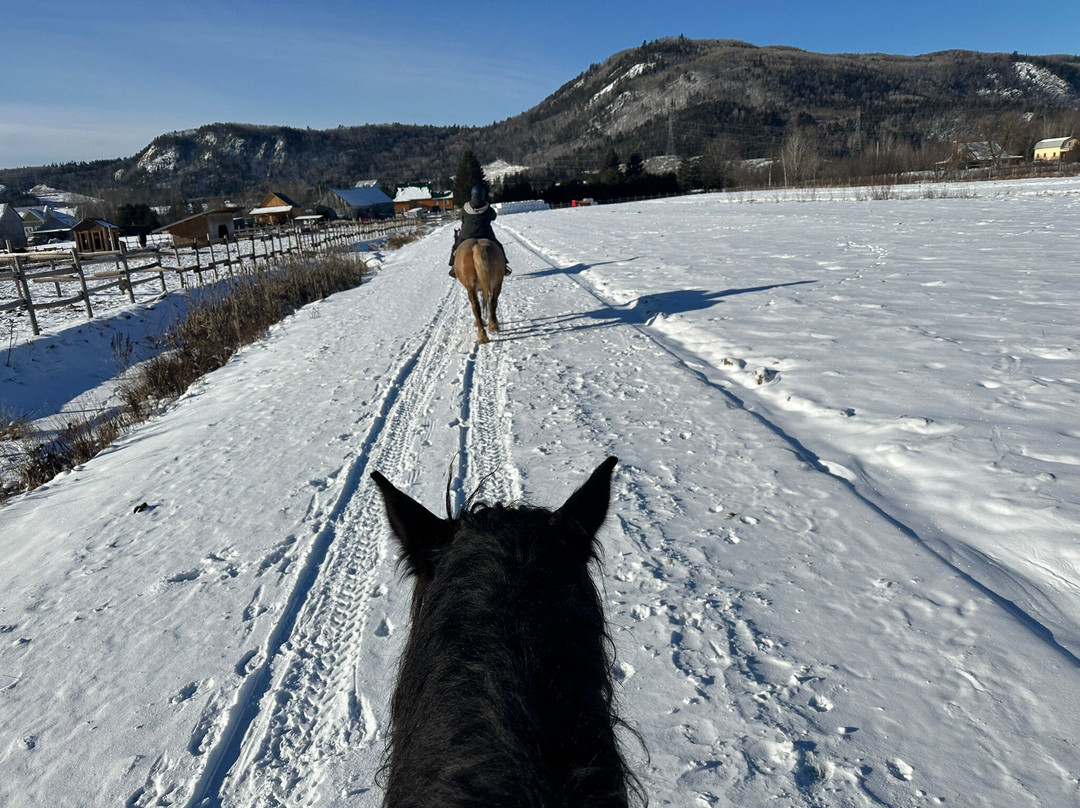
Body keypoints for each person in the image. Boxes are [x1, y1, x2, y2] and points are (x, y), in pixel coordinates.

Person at [448, 184, 511, 276]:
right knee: (499, 246)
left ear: (472, 194)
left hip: (467, 234)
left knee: (456, 247)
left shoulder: (466, 207)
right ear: (482, 195)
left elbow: (461, 217)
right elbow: (493, 217)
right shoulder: (486, 206)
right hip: (485, 233)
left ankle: (453, 267)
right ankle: (504, 266)